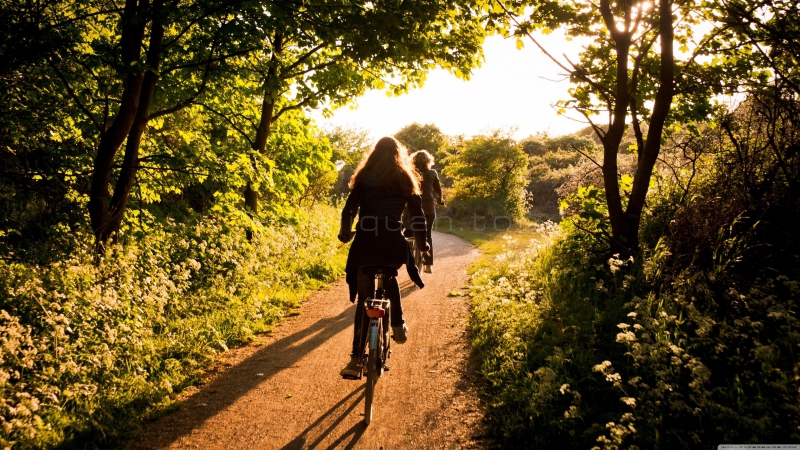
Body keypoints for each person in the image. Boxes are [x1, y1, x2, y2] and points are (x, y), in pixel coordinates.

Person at [337, 136, 429, 378]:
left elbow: (349, 210)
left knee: (364, 300)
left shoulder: (364, 177)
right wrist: (422, 243)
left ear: (374, 153)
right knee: (390, 273)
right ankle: (397, 325)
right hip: (392, 243)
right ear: (399, 154)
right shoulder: (405, 178)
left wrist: (345, 234)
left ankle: (356, 359)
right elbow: (418, 216)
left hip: (365, 243)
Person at [410, 150, 444, 273]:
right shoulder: (432, 173)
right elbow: (438, 190)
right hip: (428, 208)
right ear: (429, 161)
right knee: (427, 235)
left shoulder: (410, 173)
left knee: (409, 232)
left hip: (412, 209)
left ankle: (409, 250)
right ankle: (428, 265)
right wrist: (440, 200)